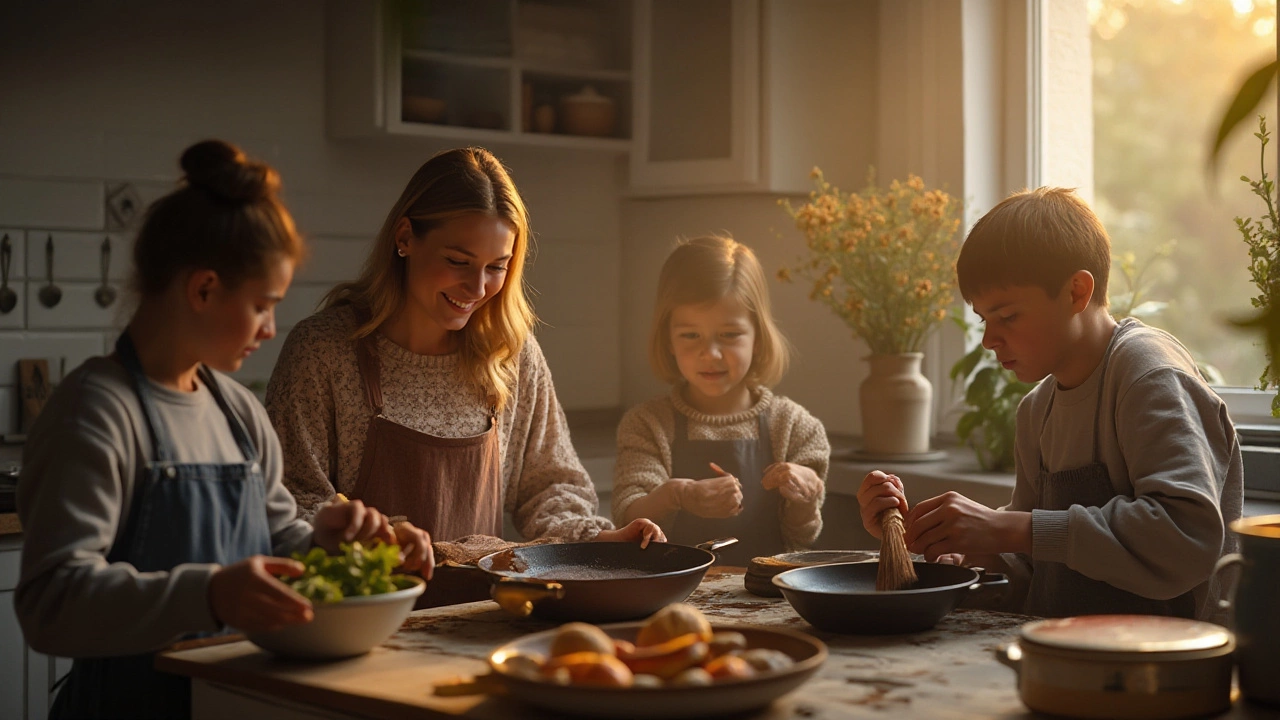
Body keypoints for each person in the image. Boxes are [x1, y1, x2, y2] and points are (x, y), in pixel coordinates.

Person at [14, 140, 434, 719]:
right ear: (204, 289)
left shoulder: (238, 411)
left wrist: (329, 544)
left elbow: (276, 543)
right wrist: (208, 594)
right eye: (263, 305)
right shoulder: (96, 411)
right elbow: (51, 604)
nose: (270, 329)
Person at [857, 187, 1243, 621]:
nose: (989, 340)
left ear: (1077, 292)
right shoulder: (1036, 411)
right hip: (1065, 661)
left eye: (1008, 316)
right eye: (984, 320)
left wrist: (1010, 528)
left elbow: (1185, 537)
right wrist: (958, 551)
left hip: (1164, 671)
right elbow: (1036, 567)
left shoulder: (1148, 374)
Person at [265, 146, 662, 547]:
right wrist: (364, 538)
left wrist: (599, 538)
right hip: (368, 608)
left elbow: (550, 487)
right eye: (458, 261)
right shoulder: (322, 351)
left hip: (481, 608)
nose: (477, 289)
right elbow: (289, 501)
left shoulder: (511, 354)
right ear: (405, 237)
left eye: (496, 267)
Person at [612, 235, 829, 567]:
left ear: (758, 336)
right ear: (667, 338)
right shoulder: (647, 424)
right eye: (690, 335)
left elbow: (802, 538)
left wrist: (804, 495)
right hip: (675, 597)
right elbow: (629, 517)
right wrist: (679, 494)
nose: (710, 354)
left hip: (766, 601)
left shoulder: (795, 427)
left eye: (729, 335)